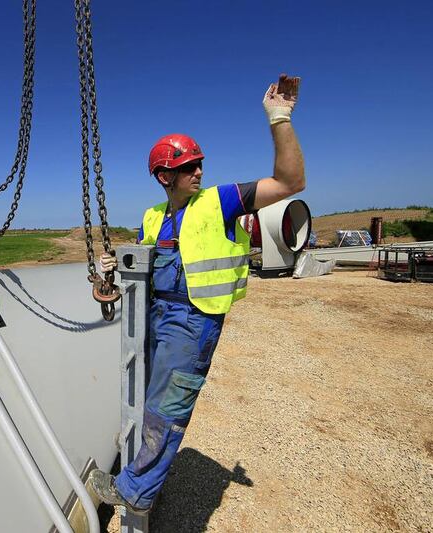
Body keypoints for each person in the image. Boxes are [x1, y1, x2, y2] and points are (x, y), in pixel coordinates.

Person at [88, 74, 306, 513]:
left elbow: (289, 183)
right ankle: (145, 468)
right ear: (164, 175)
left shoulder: (221, 200)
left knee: (165, 409)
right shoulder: (152, 217)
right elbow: (138, 273)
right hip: (153, 316)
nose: (199, 171)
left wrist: (279, 118)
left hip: (193, 320)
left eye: (200, 163)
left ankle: (136, 492)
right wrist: (107, 277)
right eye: (189, 166)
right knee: (145, 396)